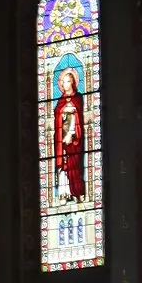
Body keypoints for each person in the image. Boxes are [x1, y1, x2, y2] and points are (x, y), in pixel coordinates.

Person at [51, 63, 87, 205]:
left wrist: (71, 133)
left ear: (73, 82)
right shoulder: (60, 101)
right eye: (63, 82)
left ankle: (78, 192)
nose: (65, 84)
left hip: (73, 139)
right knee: (63, 167)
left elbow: (78, 114)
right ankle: (63, 195)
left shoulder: (78, 97)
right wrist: (64, 111)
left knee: (75, 166)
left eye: (68, 81)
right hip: (62, 139)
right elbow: (57, 114)